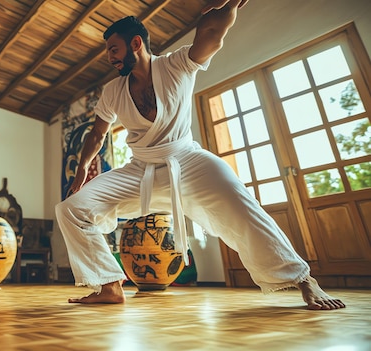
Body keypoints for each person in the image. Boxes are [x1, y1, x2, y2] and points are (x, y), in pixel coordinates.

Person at [55, 0, 346, 310]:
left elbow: (212, 32)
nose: (110, 57)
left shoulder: (175, 65)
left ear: (135, 44)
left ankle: (304, 280)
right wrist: (81, 172)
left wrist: (231, 4)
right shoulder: (113, 90)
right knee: (70, 209)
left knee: (242, 204)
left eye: (114, 49)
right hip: (139, 168)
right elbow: (98, 133)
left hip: (187, 160)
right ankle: (109, 285)